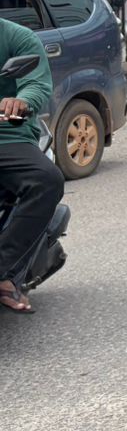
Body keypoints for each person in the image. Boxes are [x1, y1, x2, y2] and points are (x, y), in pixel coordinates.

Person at [0, 16, 62, 313]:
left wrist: (20, 101)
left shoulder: (17, 37)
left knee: (46, 179)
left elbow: (36, 83)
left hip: (6, 135)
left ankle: (4, 271)